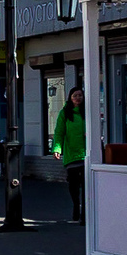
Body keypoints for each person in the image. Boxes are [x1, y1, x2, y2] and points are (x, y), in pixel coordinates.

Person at [52, 86, 88, 224]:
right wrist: (57, 149)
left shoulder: (87, 112)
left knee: (86, 186)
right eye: (75, 96)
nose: (78, 98)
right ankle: (76, 207)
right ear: (70, 98)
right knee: (74, 185)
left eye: (80, 95)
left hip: (85, 154)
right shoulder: (65, 113)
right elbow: (59, 132)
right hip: (71, 154)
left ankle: (85, 214)